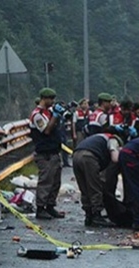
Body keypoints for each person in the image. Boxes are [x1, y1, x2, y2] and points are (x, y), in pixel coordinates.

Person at [29, 88, 65, 220]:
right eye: (51, 99)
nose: (53, 101)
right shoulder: (37, 115)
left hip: (54, 151)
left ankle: (50, 206)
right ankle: (40, 208)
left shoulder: (48, 112)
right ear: (45, 98)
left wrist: (58, 116)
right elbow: (46, 130)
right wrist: (55, 116)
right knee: (46, 181)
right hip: (45, 154)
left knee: (55, 181)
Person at [72, 133, 123, 227]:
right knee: (94, 187)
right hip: (89, 157)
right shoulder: (113, 139)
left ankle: (88, 215)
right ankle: (97, 216)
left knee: (84, 188)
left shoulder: (97, 137)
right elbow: (115, 158)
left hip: (76, 156)